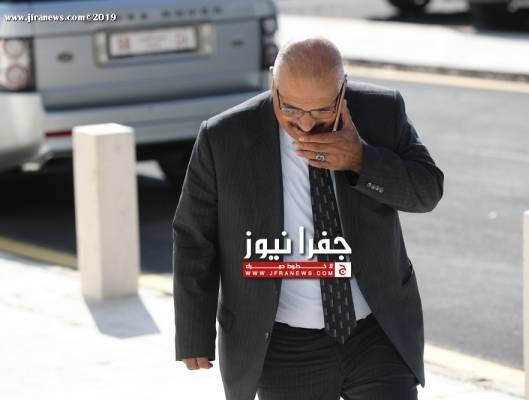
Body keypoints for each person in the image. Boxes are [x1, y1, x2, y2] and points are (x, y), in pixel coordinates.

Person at [172, 37, 444, 400]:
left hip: (377, 333)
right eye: (290, 108)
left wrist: (362, 159)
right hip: (284, 346)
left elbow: (427, 192)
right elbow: (194, 237)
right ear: (274, 83)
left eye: (320, 111)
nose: (304, 123)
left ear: (343, 89)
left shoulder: (382, 112)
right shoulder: (223, 138)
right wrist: (194, 333)